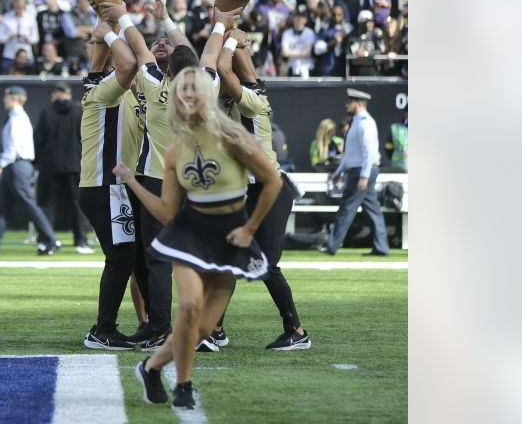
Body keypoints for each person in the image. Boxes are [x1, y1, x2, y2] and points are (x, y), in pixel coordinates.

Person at [115, 65, 282, 411]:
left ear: (206, 94)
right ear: (176, 99)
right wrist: (132, 183)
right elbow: (166, 213)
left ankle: (150, 367)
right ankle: (183, 384)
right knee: (189, 306)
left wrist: (250, 228)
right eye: (182, 89)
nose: (188, 93)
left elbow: (273, 182)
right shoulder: (176, 149)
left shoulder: (233, 136)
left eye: (194, 87)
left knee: (204, 329)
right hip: (189, 233)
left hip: (229, 237)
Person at [99, 0, 235, 354]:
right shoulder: (207, 85)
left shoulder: (157, 88)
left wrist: (123, 18)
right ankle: (204, 330)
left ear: (170, 69)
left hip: (159, 183)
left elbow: (141, 51)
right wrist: (220, 24)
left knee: (158, 259)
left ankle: (159, 326)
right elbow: (206, 54)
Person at [212, 29, 312, 351]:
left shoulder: (252, 101)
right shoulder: (248, 96)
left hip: (269, 191)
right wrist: (235, 36)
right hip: (250, 192)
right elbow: (241, 71)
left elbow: (225, 71)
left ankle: (296, 331)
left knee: (267, 265)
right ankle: (214, 328)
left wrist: (226, 38)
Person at [75, 19, 155, 349]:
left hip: (115, 187)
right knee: (122, 256)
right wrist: (110, 29)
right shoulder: (105, 93)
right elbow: (129, 62)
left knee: (134, 256)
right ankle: (103, 328)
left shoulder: (130, 95)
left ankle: (154, 324)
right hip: (105, 186)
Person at [0, 87, 63, 256]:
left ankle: (51, 239)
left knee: (28, 204)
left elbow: (13, 146)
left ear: (14, 98)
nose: (3, 100)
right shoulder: (16, 117)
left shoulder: (17, 118)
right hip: (14, 166)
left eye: (6, 97)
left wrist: (0, 165)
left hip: (17, 165)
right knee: (1, 206)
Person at [319, 89, 390, 256]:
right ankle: (381, 247)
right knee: (373, 210)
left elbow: (369, 153)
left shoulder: (364, 123)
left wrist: (364, 176)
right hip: (361, 169)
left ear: (358, 104)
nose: (346, 105)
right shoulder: (358, 121)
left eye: (349, 102)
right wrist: (338, 171)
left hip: (361, 171)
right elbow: (352, 153)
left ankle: (331, 245)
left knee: (346, 208)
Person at [34, 84, 93, 254]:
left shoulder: (46, 112)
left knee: (47, 204)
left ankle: (45, 241)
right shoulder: (79, 111)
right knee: (77, 205)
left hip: (50, 165)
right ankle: (81, 242)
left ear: (56, 94)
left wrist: (35, 161)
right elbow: (87, 137)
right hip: (75, 164)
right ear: (68, 94)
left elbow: (39, 138)